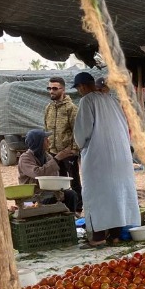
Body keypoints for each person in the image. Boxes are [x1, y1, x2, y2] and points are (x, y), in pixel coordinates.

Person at [72, 72, 141, 246]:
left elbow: (82, 133)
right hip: (121, 156)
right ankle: (115, 235)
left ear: (82, 87)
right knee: (117, 195)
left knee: (98, 196)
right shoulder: (112, 100)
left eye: (79, 89)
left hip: (98, 158)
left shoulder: (87, 101)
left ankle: (98, 237)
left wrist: (80, 144)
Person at [43, 76, 82, 211]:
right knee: (58, 181)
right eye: (49, 88)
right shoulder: (48, 108)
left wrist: (73, 149)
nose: (51, 91)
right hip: (53, 152)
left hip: (68, 152)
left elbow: (77, 130)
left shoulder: (71, 109)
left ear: (63, 90)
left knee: (73, 181)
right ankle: (64, 207)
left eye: (55, 88)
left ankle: (77, 208)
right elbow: (46, 129)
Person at [17, 129, 79, 213]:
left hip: (47, 194)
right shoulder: (25, 158)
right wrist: (57, 159)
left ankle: (68, 220)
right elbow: (37, 173)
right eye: (45, 139)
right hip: (31, 198)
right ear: (38, 143)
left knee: (71, 195)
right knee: (48, 201)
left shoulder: (47, 156)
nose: (48, 141)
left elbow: (54, 177)